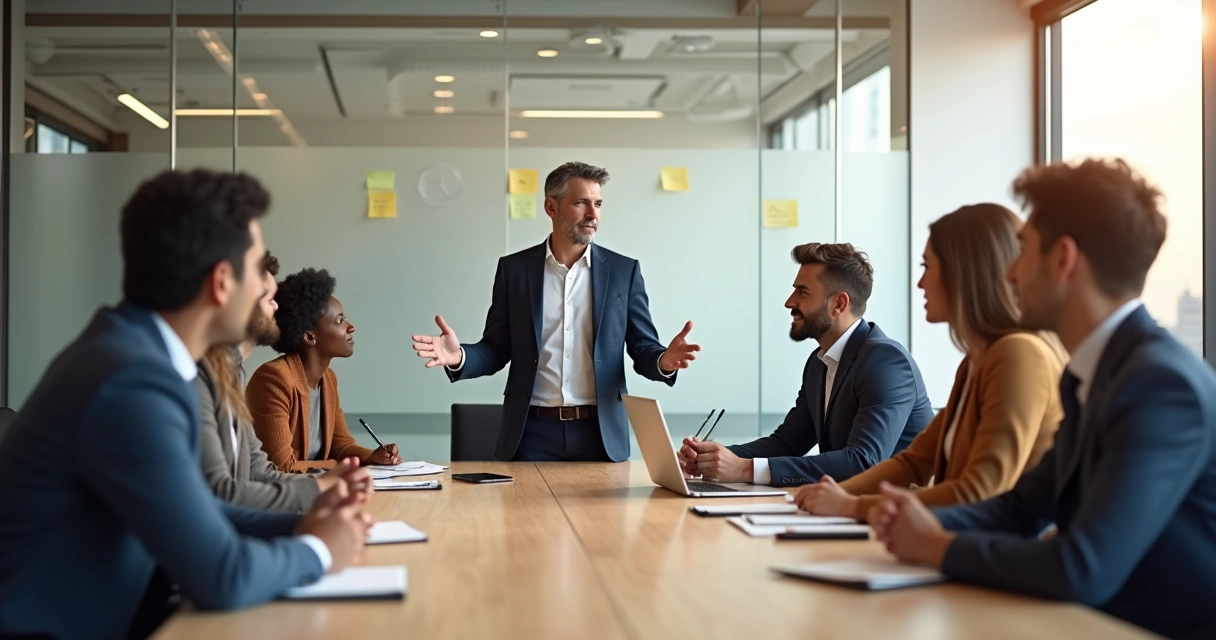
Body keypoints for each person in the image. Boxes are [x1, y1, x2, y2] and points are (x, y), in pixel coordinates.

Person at [0, 170, 371, 640]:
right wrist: (319, 550)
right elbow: (222, 574)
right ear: (221, 283)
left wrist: (309, 518)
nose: (268, 290)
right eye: (258, 270)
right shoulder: (131, 382)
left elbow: (204, 511)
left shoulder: (136, 354)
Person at [868, 160, 1216, 640]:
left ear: (1063, 259)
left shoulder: (1159, 386)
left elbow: (1082, 566)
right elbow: (1021, 509)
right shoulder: (1093, 372)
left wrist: (937, 546)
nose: (1009, 273)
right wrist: (909, 520)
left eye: (1023, 251)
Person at [410, 161, 700, 462]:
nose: (593, 214)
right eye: (581, 203)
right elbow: (497, 348)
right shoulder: (514, 270)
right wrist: (460, 358)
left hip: (600, 435)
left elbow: (642, 348)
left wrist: (664, 360)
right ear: (551, 206)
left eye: (598, 204)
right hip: (530, 433)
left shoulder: (624, 272)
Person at [795, 204, 1066, 520]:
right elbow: (915, 462)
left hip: (1002, 558)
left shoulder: (1019, 354)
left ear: (964, 272)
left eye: (927, 266)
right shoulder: (976, 362)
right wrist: (837, 494)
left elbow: (977, 493)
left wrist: (852, 505)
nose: (920, 283)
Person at [678, 243, 932, 486]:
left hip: (899, 518)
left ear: (838, 304)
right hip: (849, 507)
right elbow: (787, 444)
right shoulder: (819, 362)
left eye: (803, 292)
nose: (789, 302)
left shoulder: (885, 362)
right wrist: (712, 457)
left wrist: (743, 469)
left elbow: (863, 462)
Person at [197, 252, 360, 511]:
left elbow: (259, 472)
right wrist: (331, 480)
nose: (277, 308)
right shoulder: (203, 377)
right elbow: (222, 494)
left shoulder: (231, 373)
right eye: (269, 298)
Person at [247, 267, 401, 472]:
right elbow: (282, 467)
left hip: (317, 494)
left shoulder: (327, 379)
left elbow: (341, 445)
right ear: (310, 337)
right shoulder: (273, 379)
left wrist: (372, 457)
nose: (350, 326)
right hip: (283, 500)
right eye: (339, 320)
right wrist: (343, 466)